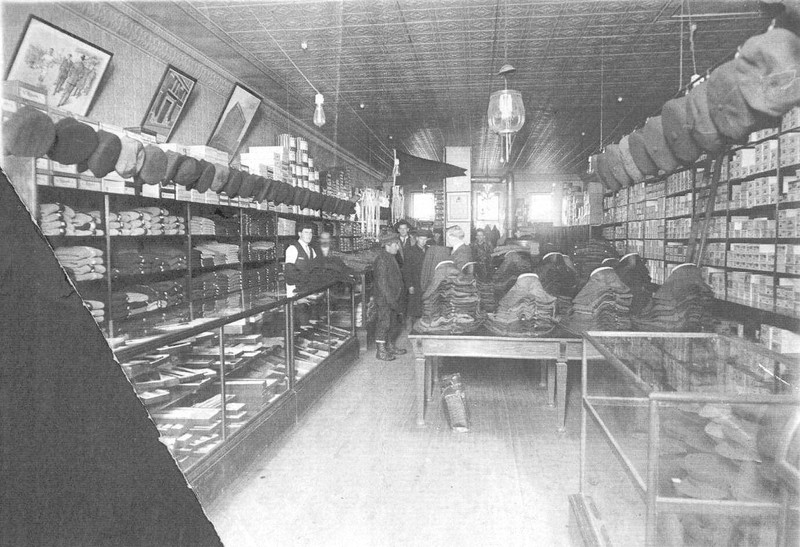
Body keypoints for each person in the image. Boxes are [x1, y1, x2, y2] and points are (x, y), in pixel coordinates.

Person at [372, 231, 406, 361]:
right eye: (396, 245)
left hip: (392, 297)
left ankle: (390, 346)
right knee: (384, 323)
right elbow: (382, 283)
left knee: (392, 323)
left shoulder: (390, 256)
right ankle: (380, 351)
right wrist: (390, 299)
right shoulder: (381, 259)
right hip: (385, 299)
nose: (398, 248)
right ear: (388, 245)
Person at [402, 229, 430, 321]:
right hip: (415, 283)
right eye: (421, 239)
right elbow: (407, 270)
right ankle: (414, 328)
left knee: (426, 306)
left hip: (426, 283)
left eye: (425, 239)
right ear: (417, 238)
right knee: (415, 308)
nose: (423, 241)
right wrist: (410, 285)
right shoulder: (410, 251)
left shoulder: (429, 251)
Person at [284, 222, 316, 296]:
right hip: (295, 289)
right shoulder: (292, 248)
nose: (309, 235)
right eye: (306, 232)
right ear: (299, 234)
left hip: (307, 288)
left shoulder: (311, 250)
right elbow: (289, 272)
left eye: (310, 233)